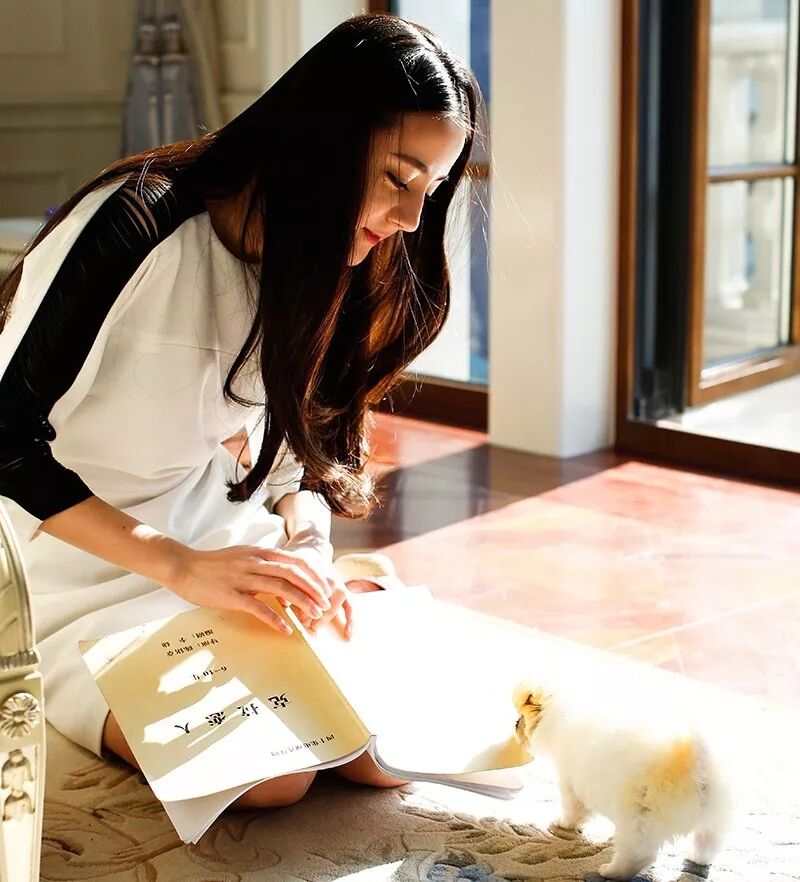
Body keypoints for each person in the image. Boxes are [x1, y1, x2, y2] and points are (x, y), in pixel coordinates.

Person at [0, 12, 482, 811]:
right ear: (325, 137)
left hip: (212, 538)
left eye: (427, 192)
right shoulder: (136, 224)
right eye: (399, 177)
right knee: (273, 778)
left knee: (379, 752)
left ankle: (336, 596)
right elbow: (5, 440)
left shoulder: (323, 253)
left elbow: (303, 450)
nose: (408, 220)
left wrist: (308, 545)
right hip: (66, 555)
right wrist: (179, 568)